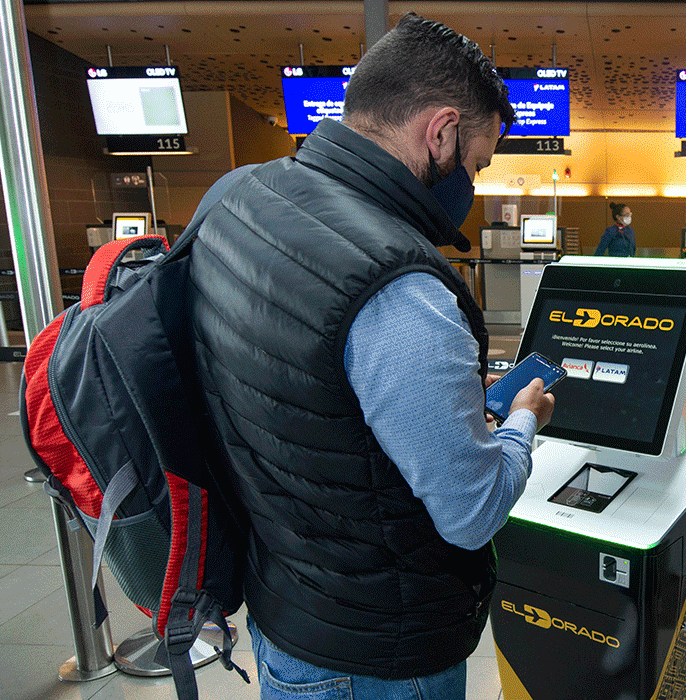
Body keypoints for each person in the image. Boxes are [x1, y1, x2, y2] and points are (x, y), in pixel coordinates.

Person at [187, 14, 555, 700]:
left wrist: (435, 401)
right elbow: (472, 513)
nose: (470, 183)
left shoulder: (237, 197)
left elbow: (303, 387)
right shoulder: (402, 290)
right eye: (475, 162)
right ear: (440, 131)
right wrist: (522, 422)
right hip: (377, 655)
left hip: (283, 607)